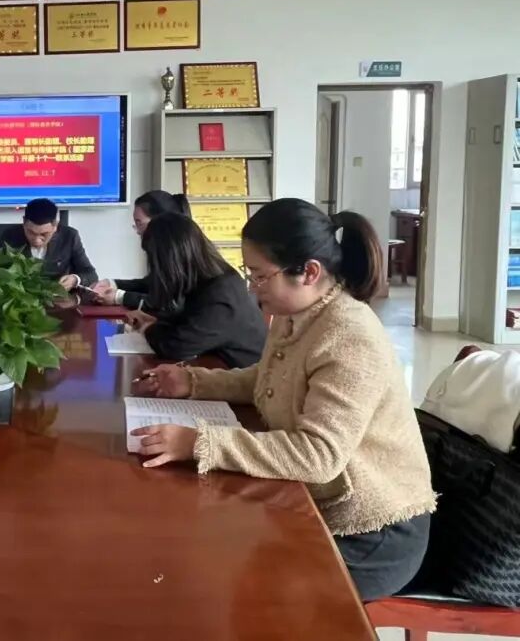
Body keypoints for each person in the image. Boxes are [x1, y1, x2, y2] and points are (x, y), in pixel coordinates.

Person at [130, 198, 435, 601]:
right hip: (315, 503)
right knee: (202, 545)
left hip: (369, 532)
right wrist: (193, 382)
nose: (252, 288)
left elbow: (318, 456)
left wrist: (199, 442)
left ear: (309, 272)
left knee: (238, 584)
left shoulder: (349, 336)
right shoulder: (297, 313)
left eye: (259, 276)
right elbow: (268, 379)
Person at [125, 212, 266, 368]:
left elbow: (177, 347)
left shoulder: (220, 293)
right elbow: (188, 323)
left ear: (169, 261)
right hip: (219, 367)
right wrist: (155, 322)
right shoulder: (211, 279)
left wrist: (147, 328)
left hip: (241, 377)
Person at [92, 190, 190, 309]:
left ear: (160, 221)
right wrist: (112, 284)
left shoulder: (179, 253)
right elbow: (150, 284)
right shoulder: (169, 249)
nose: (138, 232)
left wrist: (120, 297)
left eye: (139, 223)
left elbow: (171, 304)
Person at [0, 198, 97, 290]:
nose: (37, 240)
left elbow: (91, 274)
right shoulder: (10, 236)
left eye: (44, 234)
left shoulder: (69, 236)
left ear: (55, 226)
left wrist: (75, 279)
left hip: (58, 296)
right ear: (24, 222)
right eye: (31, 232)